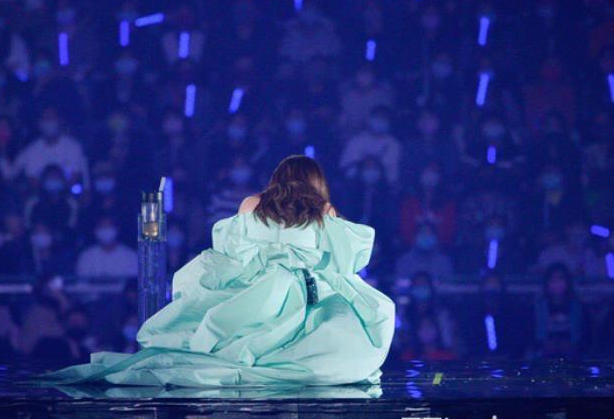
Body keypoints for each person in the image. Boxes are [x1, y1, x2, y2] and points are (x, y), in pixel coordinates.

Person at [32, 154, 396, 386]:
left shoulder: (253, 204)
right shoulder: (325, 211)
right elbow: (347, 259)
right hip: (298, 293)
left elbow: (230, 251)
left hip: (257, 291)